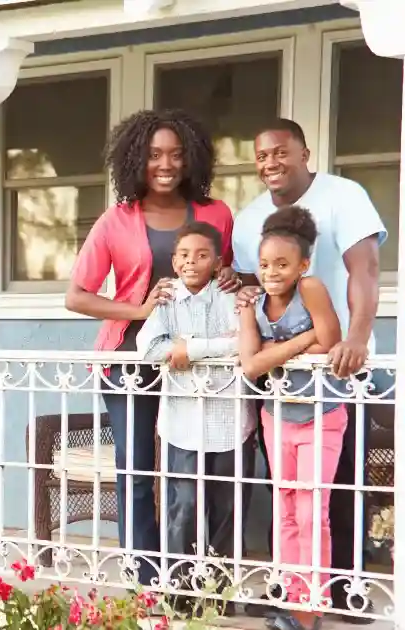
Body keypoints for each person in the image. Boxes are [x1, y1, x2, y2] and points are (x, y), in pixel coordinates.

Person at [66, 109, 239, 586]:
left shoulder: (216, 213)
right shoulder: (115, 220)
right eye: (154, 155)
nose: (166, 164)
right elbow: (76, 295)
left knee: (207, 468)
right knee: (138, 469)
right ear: (135, 159)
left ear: (192, 159)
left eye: (176, 155)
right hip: (130, 359)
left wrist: (231, 275)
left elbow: (234, 278)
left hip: (201, 364)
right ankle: (146, 575)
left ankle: (202, 572)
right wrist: (137, 311)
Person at [231, 119, 385, 624]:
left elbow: (365, 269)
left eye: (281, 152)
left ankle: (341, 594)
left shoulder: (344, 195)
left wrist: (356, 338)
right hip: (281, 383)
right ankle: (294, 590)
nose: (271, 163)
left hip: (340, 370)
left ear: (304, 153)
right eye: (261, 155)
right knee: (289, 493)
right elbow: (259, 291)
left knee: (335, 491)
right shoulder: (251, 217)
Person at [135, 222, 254, 617]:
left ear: (218, 261)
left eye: (202, 255)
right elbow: (149, 349)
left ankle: (220, 595)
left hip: (230, 423)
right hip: (182, 424)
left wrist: (191, 348)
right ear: (174, 260)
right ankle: (180, 595)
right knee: (183, 507)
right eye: (184, 255)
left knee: (227, 508)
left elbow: (245, 343)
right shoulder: (166, 300)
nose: (192, 262)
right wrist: (188, 349)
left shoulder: (230, 296)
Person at [238, 206, 348, 630]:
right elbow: (251, 366)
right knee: (284, 508)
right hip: (276, 415)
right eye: (264, 264)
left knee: (311, 511)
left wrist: (276, 351)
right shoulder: (251, 303)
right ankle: (289, 595)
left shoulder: (312, 288)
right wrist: (305, 340)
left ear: (303, 264)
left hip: (322, 413)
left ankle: (310, 607)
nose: (271, 272)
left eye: (282, 264)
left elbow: (333, 340)